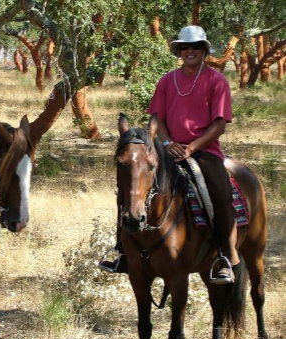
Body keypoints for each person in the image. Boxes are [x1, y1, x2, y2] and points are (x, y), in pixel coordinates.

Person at [99, 25, 237, 284]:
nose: (190, 51)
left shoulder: (216, 80)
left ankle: (225, 256)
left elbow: (220, 124)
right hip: (167, 149)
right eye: (185, 47)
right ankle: (122, 250)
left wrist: (191, 148)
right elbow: (157, 118)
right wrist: (168, 142)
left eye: (195, 46)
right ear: (179, 51)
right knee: (131, 188)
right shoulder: (167, 80)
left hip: (204, 151)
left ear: (204, 50)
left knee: (219, 193)